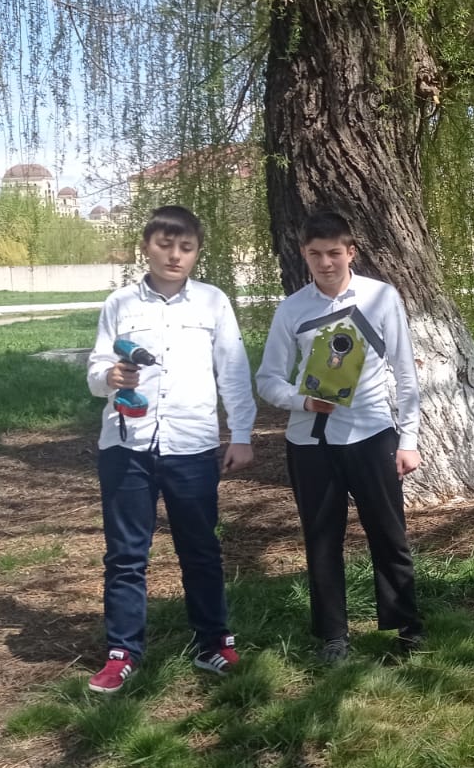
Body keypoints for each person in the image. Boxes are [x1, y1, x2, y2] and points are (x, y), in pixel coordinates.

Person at [86, 205, 257, 693]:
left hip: (191, 446)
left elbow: (233, 371)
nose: (175, 256)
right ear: (147, 246)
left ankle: (213, 644)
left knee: (201, 549)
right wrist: (109, 377)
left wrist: (241, 434)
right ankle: (122, 653)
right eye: (165, 245)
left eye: (186, 247)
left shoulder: (212, 302)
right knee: (125, 555)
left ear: (197, 252)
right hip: (127, 445)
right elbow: (96, 370)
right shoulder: (120, 303)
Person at [256, 210, 424, 663]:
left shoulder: (381, 297)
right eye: (315, 254)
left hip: (372, 434)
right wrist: (303, 401)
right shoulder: (292, 309)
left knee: (388, 534)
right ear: (303, 254)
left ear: (351, 251)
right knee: (322, 539)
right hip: (311, 442)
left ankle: (407, 626)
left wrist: (408, 439)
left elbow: (405, 372)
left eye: (334, 252)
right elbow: (268, 379)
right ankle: (334, 636)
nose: (325, 263)